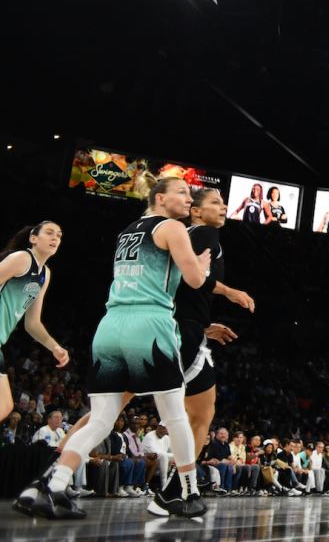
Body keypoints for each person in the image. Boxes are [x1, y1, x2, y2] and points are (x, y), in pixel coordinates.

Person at [39, 187, 256, 514]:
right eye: (182, 193)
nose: (187, 199)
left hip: (111, 323)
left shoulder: (127, 232)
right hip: (150, 325)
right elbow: (196, 280)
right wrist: (201, 267)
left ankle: (50, 485)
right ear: (159, 198)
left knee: (100, 421)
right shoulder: (175, 228)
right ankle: (186, 493)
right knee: (178, 416)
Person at [0, 222, 70, 424]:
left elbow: (32, 323)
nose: (55, 238)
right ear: (33, 238)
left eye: (59, 235)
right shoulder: (22, 258)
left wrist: (54, 346)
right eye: (49, 233)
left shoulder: (44, 274)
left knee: (5, 405)